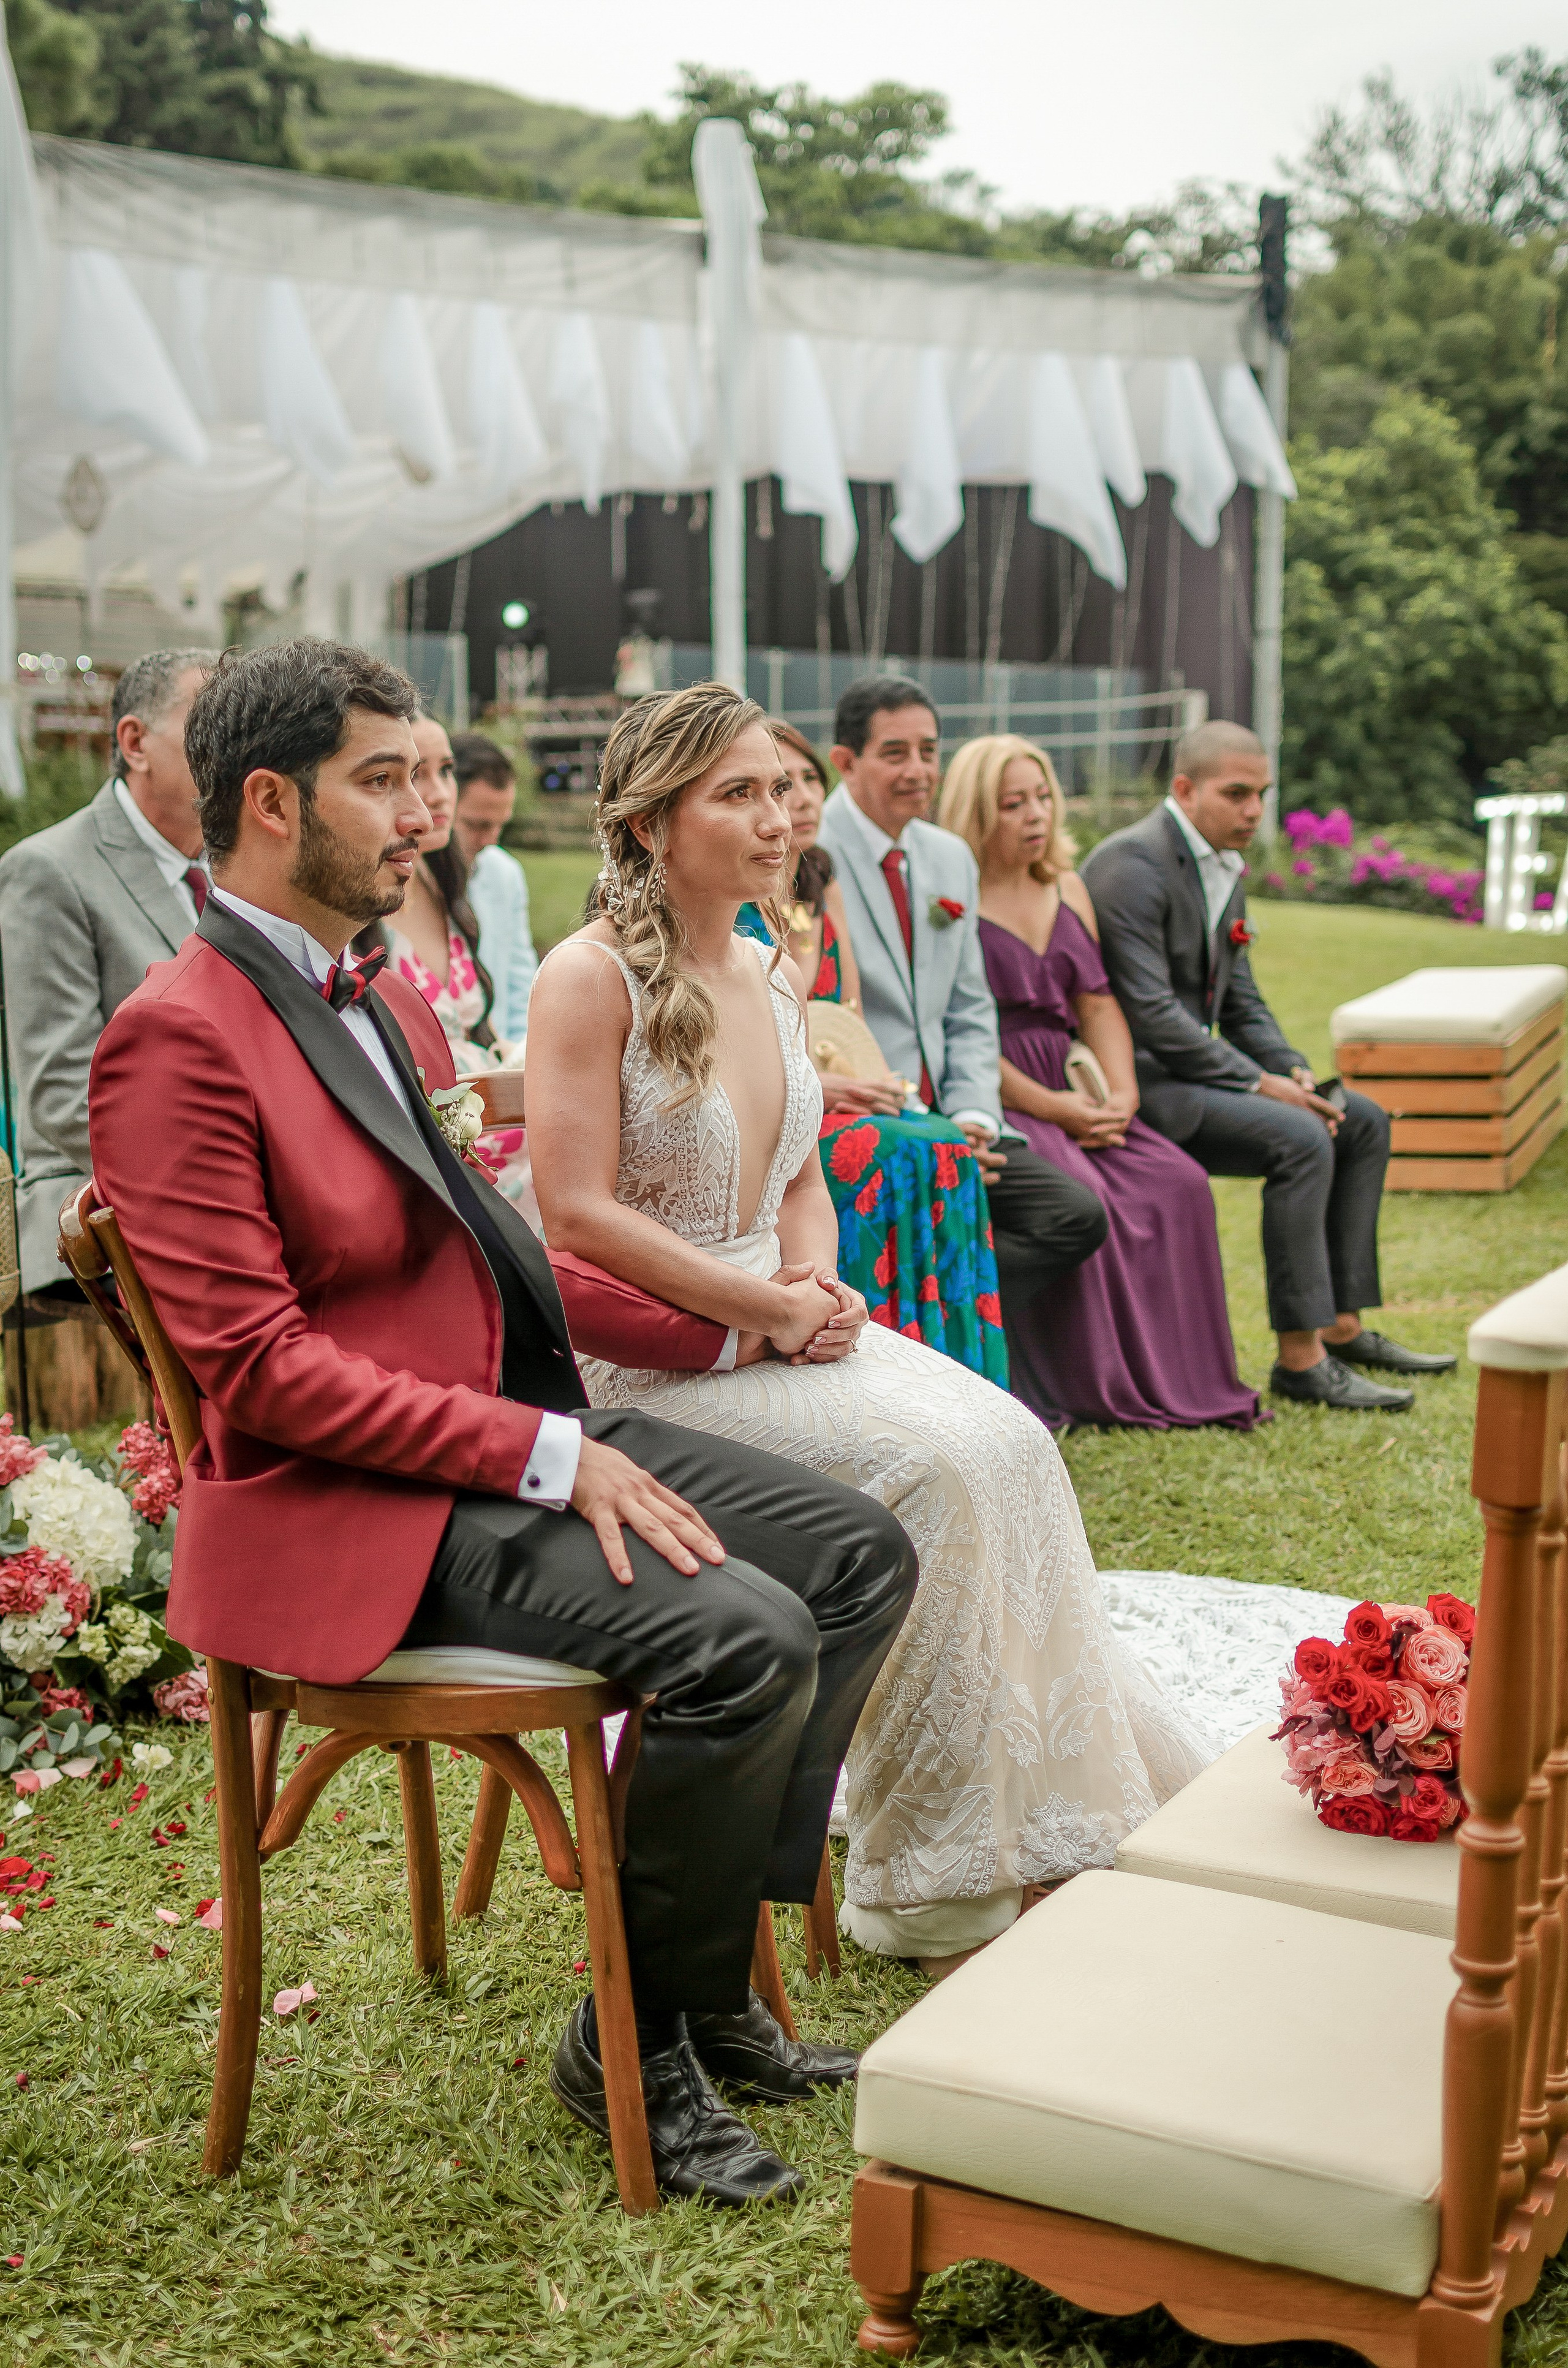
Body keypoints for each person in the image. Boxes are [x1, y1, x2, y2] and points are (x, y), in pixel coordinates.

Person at [88, 638, 917, 2206]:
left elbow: (491, 1230)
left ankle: (701, 1991)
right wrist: (554, 1452)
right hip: (350, 1506)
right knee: (744, 1638)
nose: (427, 817)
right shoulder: (177, 1036)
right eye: (384, 781)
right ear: (270, 801)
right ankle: (633, 2046)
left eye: (423, 777)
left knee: (859, 1557)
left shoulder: (383, 989)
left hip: (489, 1434)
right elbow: (259, 1373)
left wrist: (711, 1315)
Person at [523, 681, 1211, 1977]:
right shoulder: (588, 978)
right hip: (652, 1360)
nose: (778, 817)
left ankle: (1052, 1817)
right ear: (649, 824)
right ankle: (934, 1880)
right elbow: (576, 1213)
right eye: (736, 793)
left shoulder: (774, 963)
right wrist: (761, 1308)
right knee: (939, 1469)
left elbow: (798, 1172)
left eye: (780, 789)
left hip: (780, 1310)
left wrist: (817, 1280)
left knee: (1010, 1438)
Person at [1080, 721, 1455, 1411]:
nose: (1255, 810)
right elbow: (1152, 1013)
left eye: (1262, 794)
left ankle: (1343, 1326)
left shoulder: (1225, 860)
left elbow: (1239, 997)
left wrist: (1291, 1067)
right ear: (1185, 790)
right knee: (1301, 1136)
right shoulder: (1128, 865)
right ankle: (1299, 1359)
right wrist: (1259, 1083)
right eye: (1238, 794)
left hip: (1196, 1071)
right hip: (1140, 1082)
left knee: (1358, 1118)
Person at [940, 736, 1261, 1430]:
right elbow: (958, 1027)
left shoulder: (1068, 885)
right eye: (1013, 803)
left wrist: (1122, 1094)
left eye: (1043, 797)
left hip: (1076, 1077)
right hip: (1006, 1089)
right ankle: (1094, 1382)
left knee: (1178, 1181)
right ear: (977, 810)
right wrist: (1054, 1107)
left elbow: (1097, 1001)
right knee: (1089, 1199)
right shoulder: (950, 898)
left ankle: (1179, 1375)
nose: (1035, 815)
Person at [816, 676, 1108, 1385]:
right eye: (895, 753)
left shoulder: (948, 857)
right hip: (864, 1116)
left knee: (1073, 1216)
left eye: (928, 750)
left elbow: (973, 1009)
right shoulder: (809, 852)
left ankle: (933, 1328)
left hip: (951, 1113)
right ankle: (917, 1352)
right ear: (845, 762)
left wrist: (975, 1115)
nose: (918, 769)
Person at [737, 721, 1007, 1385]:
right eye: (777, 786)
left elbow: (848, 1017)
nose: (797, 801)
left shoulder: (819, 880)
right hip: (777, 1113)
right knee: (902, 1149)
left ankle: (957, 1373)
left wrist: (868, 1081)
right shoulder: (733, 896)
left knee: (946, 1140)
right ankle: (881, 1360)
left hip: (840, 1090)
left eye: (803, 784)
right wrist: (823, 1088)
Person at [0, 645, 216, 1299]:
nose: (237, 748)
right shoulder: (48, 870)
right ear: (135, 741)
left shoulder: (236, 867)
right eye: (209, 726)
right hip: (99, 1213)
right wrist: (220, 1179)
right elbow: (60, 1091)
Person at [361, 714, 529, 1201]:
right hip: (423, 1151)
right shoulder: (362, 902)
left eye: (447, 770)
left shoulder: (445, 878)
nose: (437, 794)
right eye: (415, 775)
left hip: (492, 1122)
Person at [451, 731, 537, 1042]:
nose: (491, 840)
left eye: (502, 824)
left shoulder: (505, 874)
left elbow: (521, 984)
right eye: (478, 825)